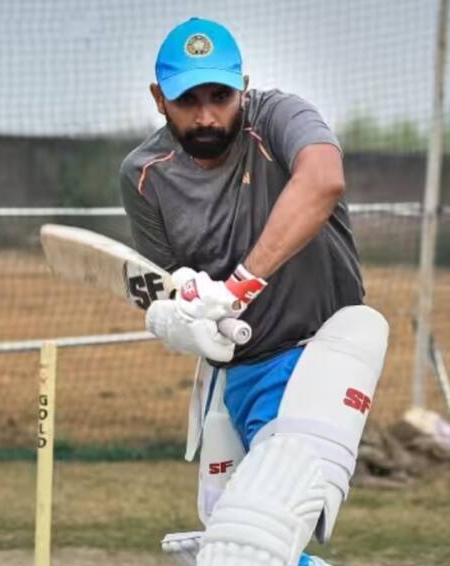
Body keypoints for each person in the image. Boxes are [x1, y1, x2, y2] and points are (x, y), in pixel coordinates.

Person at [120, 17, 389, 566]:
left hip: (320, 352)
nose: (206, 115)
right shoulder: (145, 174)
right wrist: (176, 317)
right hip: (232, 372)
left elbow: (323, 179)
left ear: (243, 85)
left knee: (251, 544)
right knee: (240, 547)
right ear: (157, 98)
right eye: (186, 100)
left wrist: (240, 284)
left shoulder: (278, 116)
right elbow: (167, 286)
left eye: (220, 96)